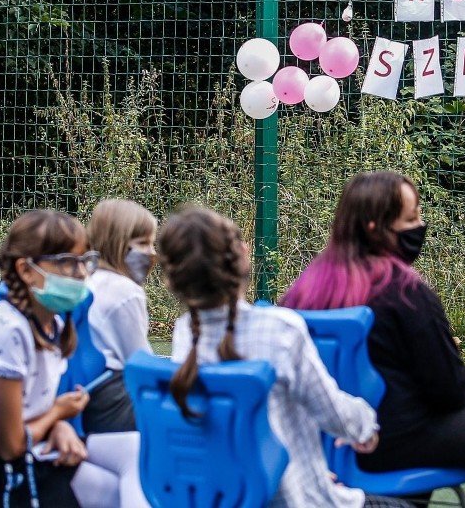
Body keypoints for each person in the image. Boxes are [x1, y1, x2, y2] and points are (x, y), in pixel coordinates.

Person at [159, 205, 411, 508]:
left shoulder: (185, 333)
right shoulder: (280, 329)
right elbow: (333, 413)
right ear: (242, 252)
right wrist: (366, 427)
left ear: (174, 278)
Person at [281, 171, 465, 477]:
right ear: (375, 229)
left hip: (319, 442)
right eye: (410, 220)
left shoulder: (302, 290)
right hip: (386, 443)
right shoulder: (405, 292)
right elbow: (452, 393)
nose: (419, 227)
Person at [0, 210, 148, 508]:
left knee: (137, 450)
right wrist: (57, 415)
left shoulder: (56, 323)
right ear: (26, 270)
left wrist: (59, 426)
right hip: (14, 472)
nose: (80, 273)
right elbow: (9, 445)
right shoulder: (7, 330)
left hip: (41, 445)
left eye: (83, 261)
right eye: (66, 262)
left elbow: (32, 406)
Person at [82, 199, 157, 434]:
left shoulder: (87, 280)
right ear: (118, 244)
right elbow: (140, 362)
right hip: (111, 403)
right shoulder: (126, 291)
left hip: (84, 396)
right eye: (143, 243)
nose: (152, 253)